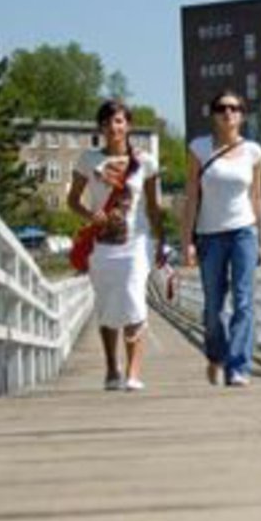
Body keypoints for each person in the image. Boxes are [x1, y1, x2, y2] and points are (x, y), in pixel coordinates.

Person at [67, 99, 164, 391]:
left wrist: (161, 242)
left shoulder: (145, 162)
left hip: (136, 242)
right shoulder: (88, 160)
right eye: (108, 122)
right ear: (101, 127)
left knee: (134, 298)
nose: (113, 127)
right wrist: (89, 214)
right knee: (108, 305)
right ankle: (112, 367)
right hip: (102, 245)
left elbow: (153, 205)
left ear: (128, 126)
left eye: (119, 121)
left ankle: (133, 372)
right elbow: (72, 201)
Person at [181, 90, 261, 387]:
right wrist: (186, 241)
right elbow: (191, 197)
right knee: (214, 306)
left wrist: (260, 238)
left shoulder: (254, 152)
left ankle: (238, 366)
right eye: (221, 108)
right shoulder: (199, 148)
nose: (227, 113)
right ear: (214, 115)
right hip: (209, 235)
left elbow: (256, 196)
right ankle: (216, 354)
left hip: (244, 231)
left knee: (243, 302)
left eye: (234, 108)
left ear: (242, 115)